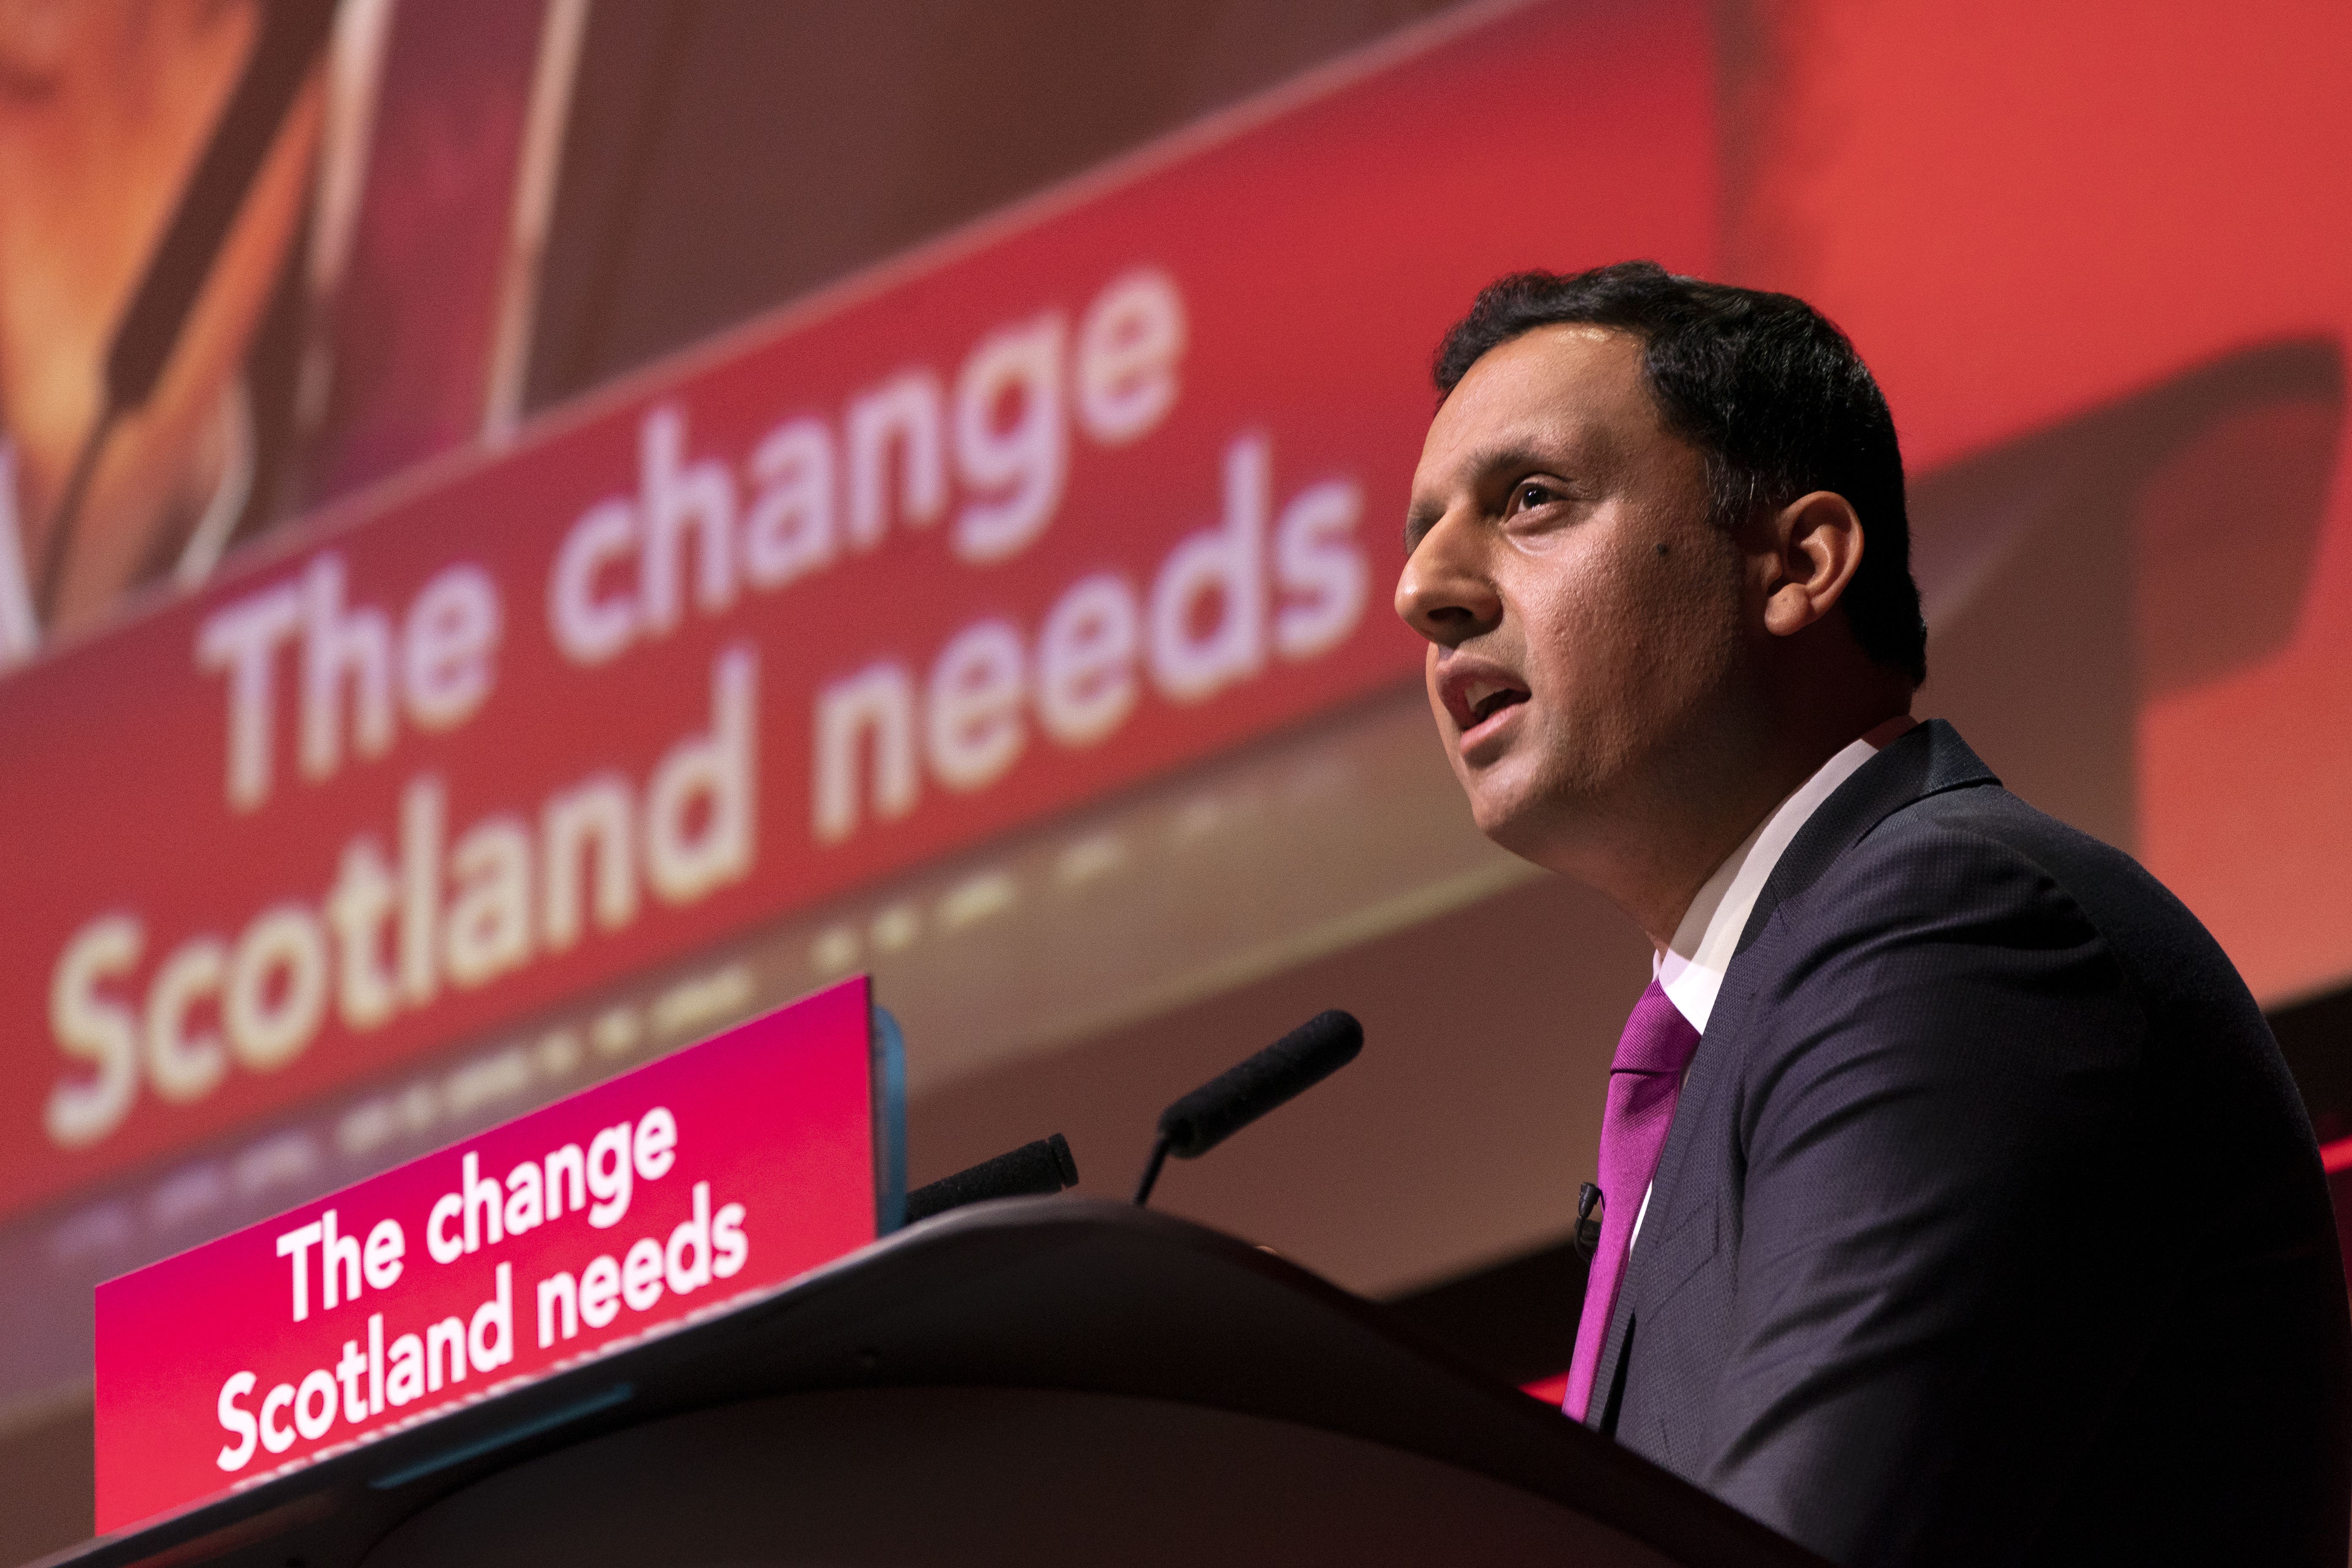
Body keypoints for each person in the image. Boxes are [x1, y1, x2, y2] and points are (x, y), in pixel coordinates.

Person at [1393, 261, 2350, 1566]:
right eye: (1419, 532)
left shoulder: (1952, 932)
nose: (1424, 592)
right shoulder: (1773, 1001)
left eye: (1530, 500)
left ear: (1796, 562)